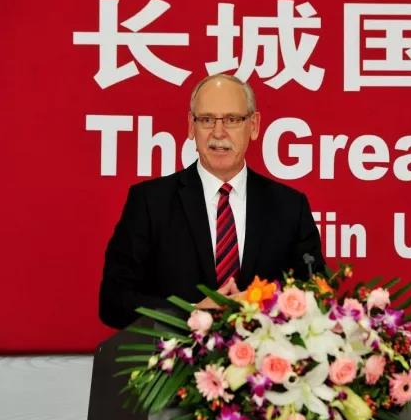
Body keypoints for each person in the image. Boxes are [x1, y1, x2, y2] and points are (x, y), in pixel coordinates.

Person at [99, 74, 325, 329]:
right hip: (176, 353)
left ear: (253, 125)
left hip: (263, 352)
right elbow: (114, 301)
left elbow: (315, 294)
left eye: (232, 120)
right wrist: (192, 314)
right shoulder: (150, 202)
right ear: (191, 126)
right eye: (207, 119)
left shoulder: (289, 207)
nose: (218, 132)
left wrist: (260, 309)